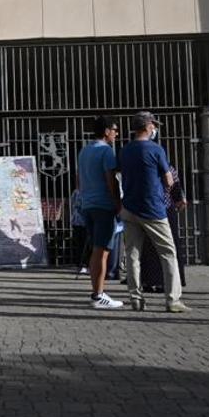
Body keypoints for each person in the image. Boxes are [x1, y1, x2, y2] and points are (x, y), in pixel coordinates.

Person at [119, 112, 190, 313]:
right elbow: (169, 179)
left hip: (130, 207)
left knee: (133, 254)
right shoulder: (155, 149)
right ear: (149, 126)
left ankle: (136, 298)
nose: (154, 129)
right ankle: (173, 299)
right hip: (153, 208)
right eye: (153, 125)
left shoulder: (125, 150)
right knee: (168, 252)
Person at [76, 116, 124, 309]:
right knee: (102, 251)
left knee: (96, 248)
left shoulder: (84, 151)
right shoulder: (106, 151)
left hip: (87, 204)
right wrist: (117, 202)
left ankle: (98, 292)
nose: (116, 133)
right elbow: (111, 181)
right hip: (103, 205)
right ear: (106, 131)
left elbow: (78, 180)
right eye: (114, 129)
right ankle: (98, 294)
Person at [137, 162, 188, 293]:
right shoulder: (168, 168)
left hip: (147, 209)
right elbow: (175, 188)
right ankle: (167, 282)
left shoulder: (144, 168)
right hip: (165, 209)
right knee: (168, 247)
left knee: (148, 247)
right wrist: (180, 202)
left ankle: (147, 280)